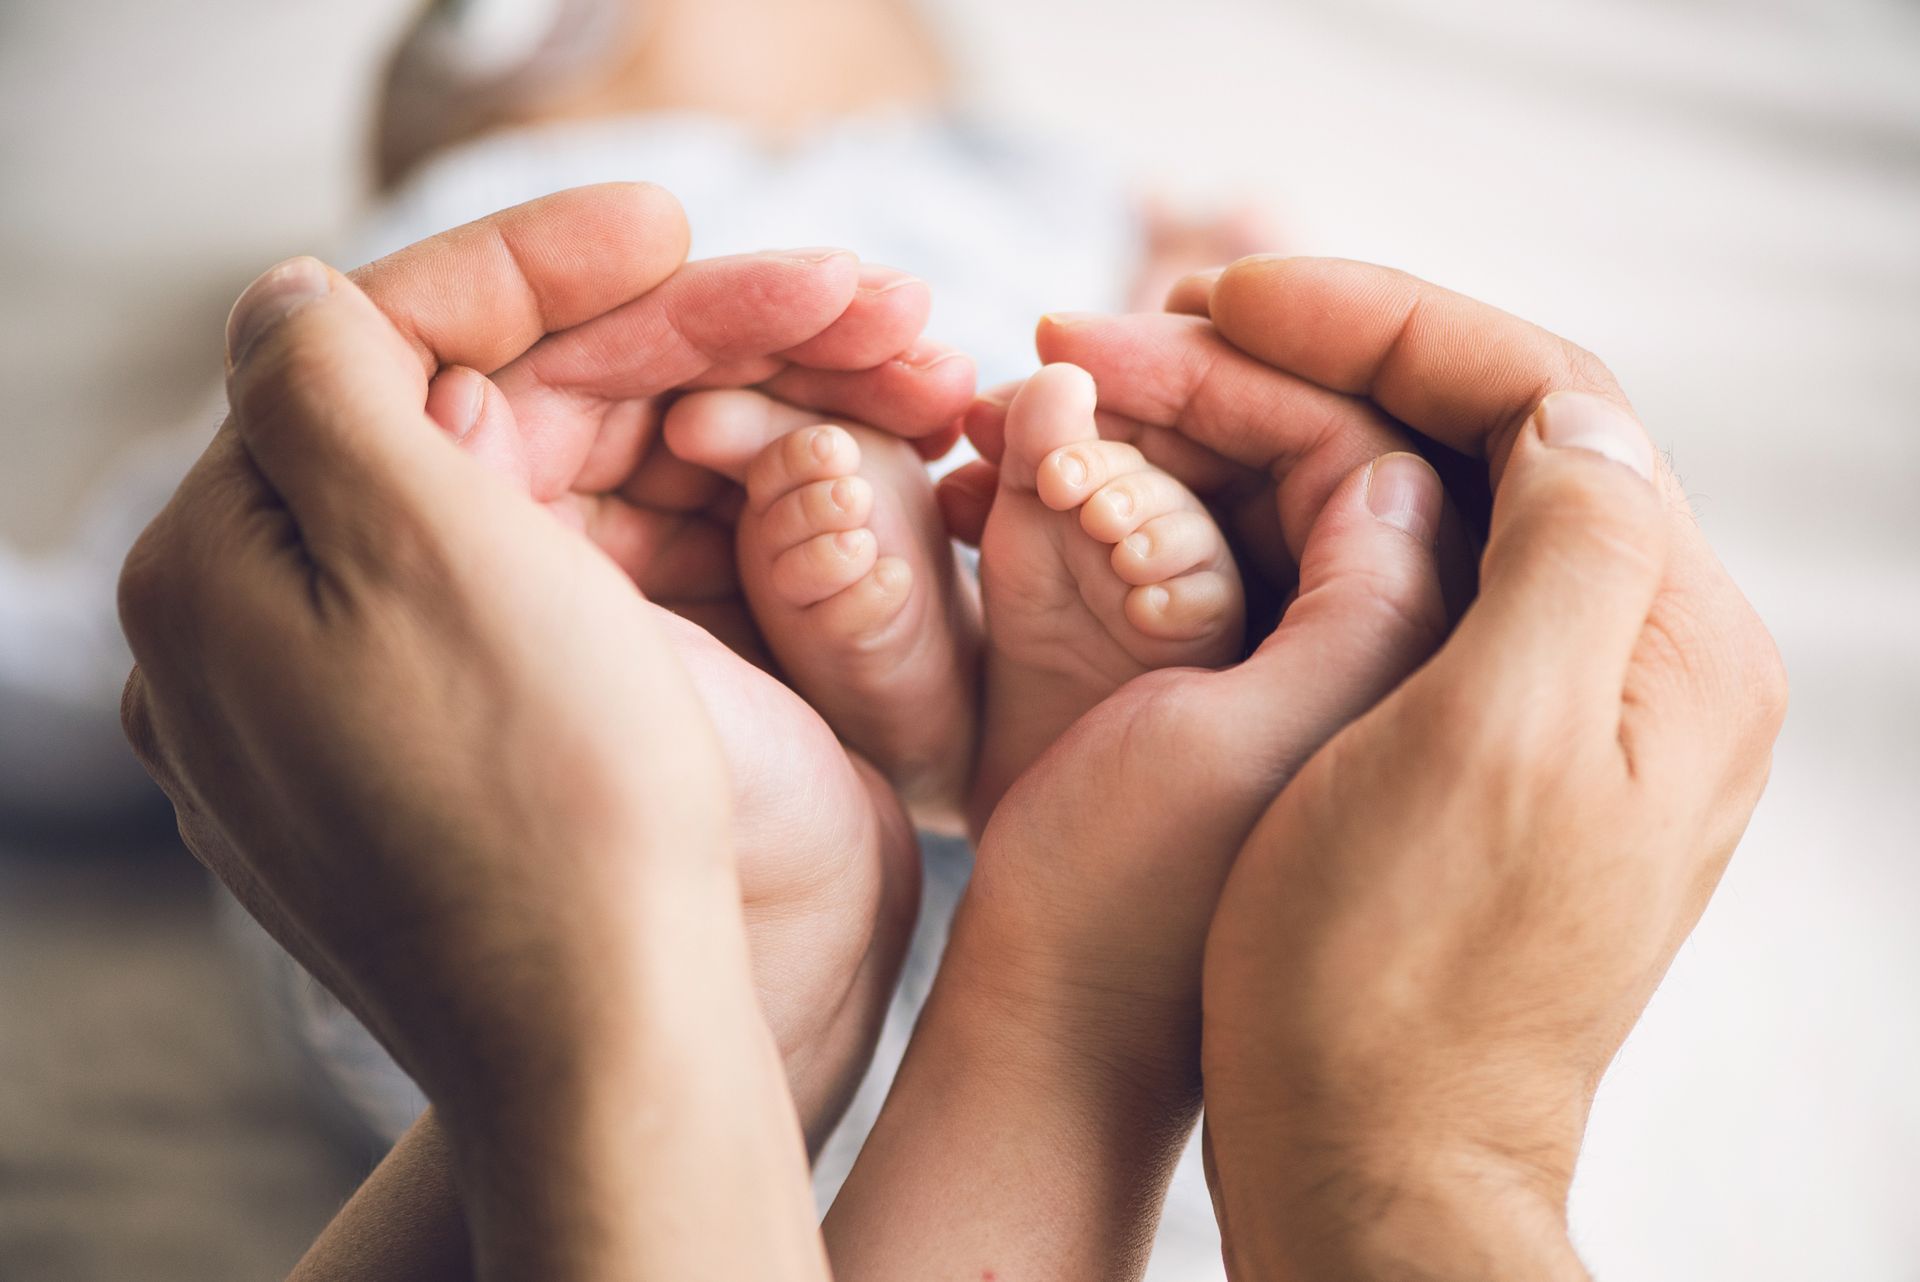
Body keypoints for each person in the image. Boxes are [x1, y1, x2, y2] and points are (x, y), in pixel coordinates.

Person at [118, 184, 1783, 1277]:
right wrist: (1115, 1015)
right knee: (1020, 406)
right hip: (777, 595)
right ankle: (986, 739)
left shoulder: (995, 173)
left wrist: (624, 999)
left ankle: (954, 724)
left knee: (988, 408)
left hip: (460, 872)